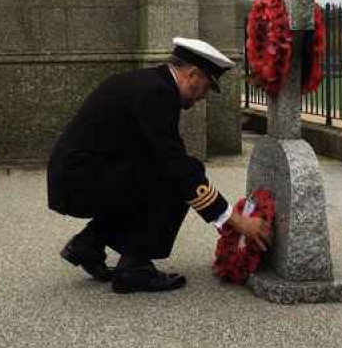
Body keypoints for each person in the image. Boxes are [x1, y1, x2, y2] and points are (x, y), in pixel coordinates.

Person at [47, 37, 272, 294]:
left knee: (159, 173)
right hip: (79, 180)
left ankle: (88, 244)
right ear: (193, 75)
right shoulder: (157, 93)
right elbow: (175, 166)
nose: (204, 97)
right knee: (176, 179)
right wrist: (235, 220)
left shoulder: (151, 83)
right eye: (207, 87)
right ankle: (135, 267)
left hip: (77, 174)